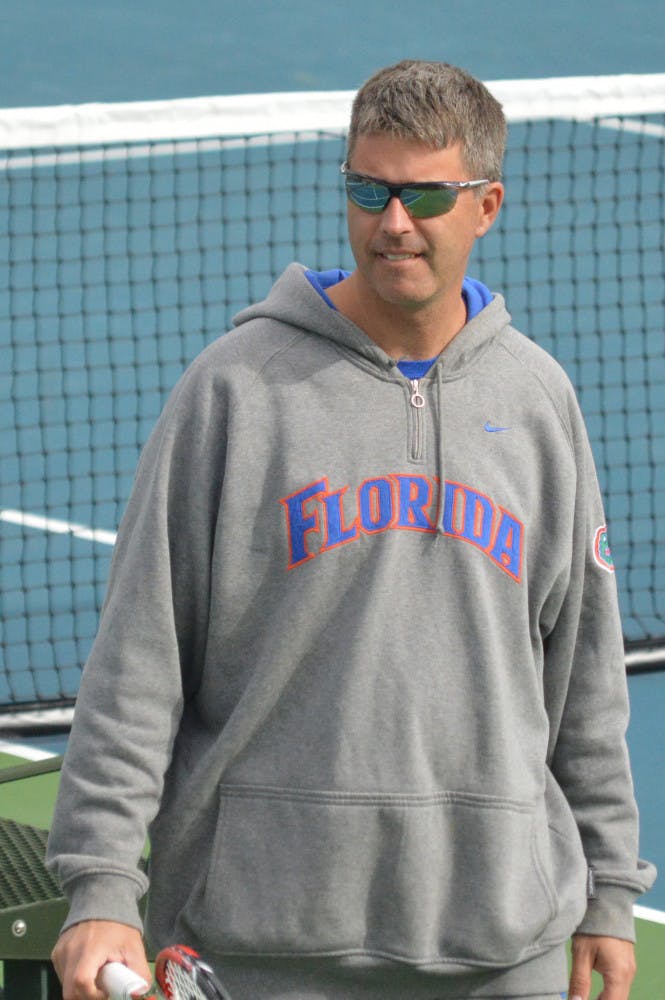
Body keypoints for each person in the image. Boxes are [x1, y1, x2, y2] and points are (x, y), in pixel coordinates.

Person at [48, 59, 655, 1000]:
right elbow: (139, 658)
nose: (393, 222)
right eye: (369, 191)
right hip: (260, 942)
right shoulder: (235, 389)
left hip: (502, 944)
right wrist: (100, 883)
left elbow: (582, 675)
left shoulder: (537, 400)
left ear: (486, 205)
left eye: (425, 196)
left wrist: (608, 888)